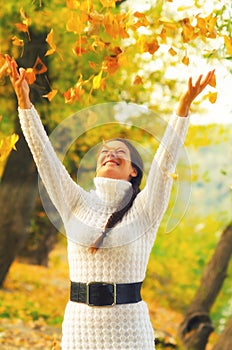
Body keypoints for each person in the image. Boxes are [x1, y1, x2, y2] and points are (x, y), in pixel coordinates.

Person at [7, 55, 215, 349]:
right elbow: (44, 158)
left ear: (133, 171)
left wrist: (183, 107)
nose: (110, 154)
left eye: (121, 152)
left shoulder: (145, 209)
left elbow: (164, 163)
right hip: (79, 331)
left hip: (130, 333)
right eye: (105, 152)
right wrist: (24, 103)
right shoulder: (76, 203)